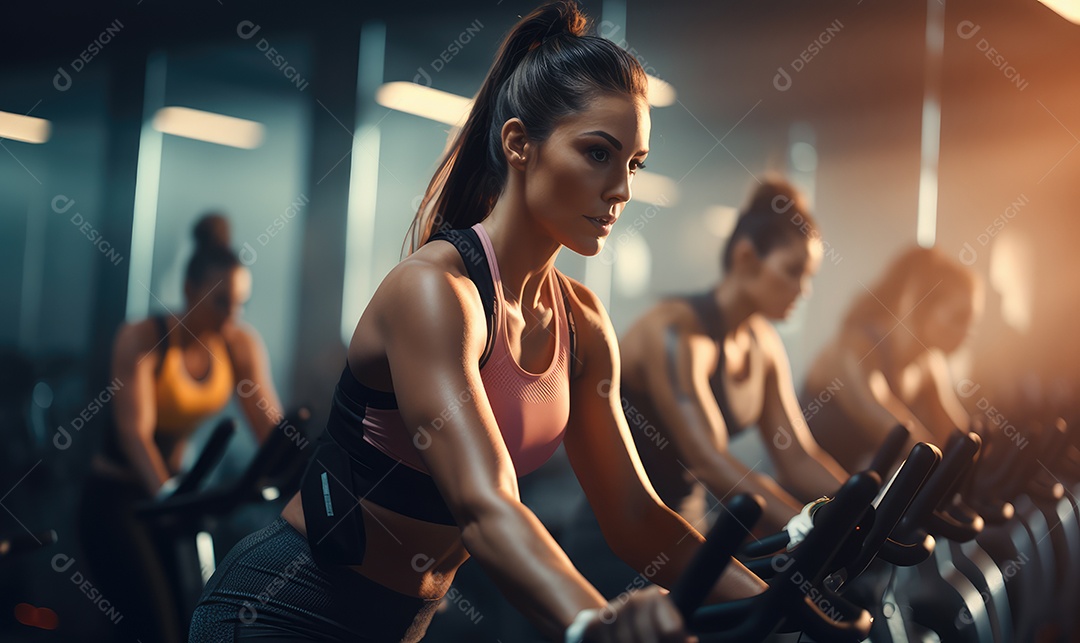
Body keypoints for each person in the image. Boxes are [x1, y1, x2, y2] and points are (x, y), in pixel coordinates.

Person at [189, 3, 766, 642]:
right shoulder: (438, 293)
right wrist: (594, 622)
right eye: (598, 153)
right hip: (285, 609)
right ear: (519, 143)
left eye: (633, 164)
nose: (621, 190)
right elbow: (486, 507)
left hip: (402, 626)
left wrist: (783, 609)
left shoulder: (582, 325)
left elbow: (635, 515)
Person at [77, 214, 284, 643]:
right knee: (155, 626)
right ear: (190, 291)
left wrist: (302, 482)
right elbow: (136, 435)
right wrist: (169, 501)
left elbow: (273, 429)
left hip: (174, 499)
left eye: (240, 303)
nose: (232, 316)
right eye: (221, 303)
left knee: (192, 623)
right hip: (119, 498)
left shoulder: (237, 343)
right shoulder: (143, 337)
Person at [802, 246, 982, 473]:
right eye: (959, 317)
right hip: (810, 499)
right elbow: (893, 431)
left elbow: (957, 437)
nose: (968, 332)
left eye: (972, 322)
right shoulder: (856, 349)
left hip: (863, 495)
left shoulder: (928, 364)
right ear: (923, 307)